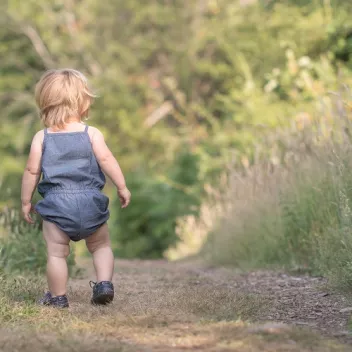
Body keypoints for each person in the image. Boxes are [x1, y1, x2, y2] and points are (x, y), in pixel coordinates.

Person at [21, 69, 131, 308]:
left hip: (57, 205)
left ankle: (58, 297)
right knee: (100, 246)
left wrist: (26, 201)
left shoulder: (42, 137)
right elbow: (107, 160)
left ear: (46, 103)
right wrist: (122, 186)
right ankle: (104, 284)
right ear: (83, 103)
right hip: (90, 201)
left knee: (57, 253)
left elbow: (32, 171)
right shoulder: (91, 133)